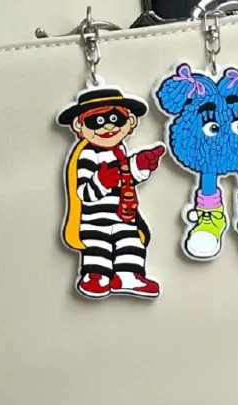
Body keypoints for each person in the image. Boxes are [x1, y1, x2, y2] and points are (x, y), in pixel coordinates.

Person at [57, 87, 165, 299]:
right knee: (98, 247)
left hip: (124, 216)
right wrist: (101, 181)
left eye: (116, 119)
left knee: (132, 243)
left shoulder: (120, 150)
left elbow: (127, 178)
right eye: (96, 121)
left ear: (130, 122)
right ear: (79, 125)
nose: (108, 126)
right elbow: (84, 193)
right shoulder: (87, 154)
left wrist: (140, 165)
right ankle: (95, 276)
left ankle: (128, 276)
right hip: (95, 221)